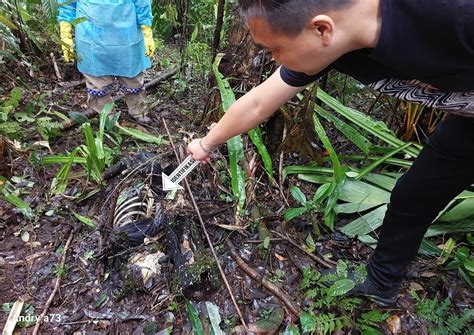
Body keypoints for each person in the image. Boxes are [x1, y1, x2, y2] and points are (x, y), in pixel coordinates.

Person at [187, 0, 474, 306]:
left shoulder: (452, 13)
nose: (274, 58)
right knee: (414, 195)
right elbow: (259, 103)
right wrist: (206, 144)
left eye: (275, 49)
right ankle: (381, 284)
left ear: (322, 29)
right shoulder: (335, 45)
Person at [57, 0, 156, 122]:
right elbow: (67, 3)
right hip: (89, 33)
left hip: (127, 32)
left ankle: (138, 110)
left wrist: (146, 28)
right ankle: (106, 117)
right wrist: (65, 30)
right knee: (97, 80)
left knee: (132, 77)